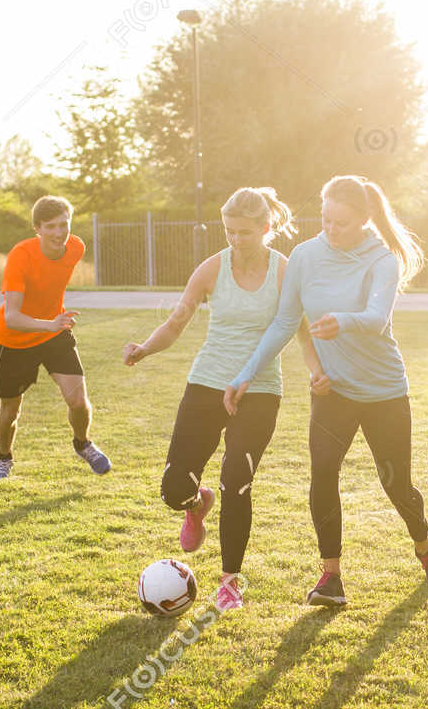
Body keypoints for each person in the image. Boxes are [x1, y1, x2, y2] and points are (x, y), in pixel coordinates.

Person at [226, 174, 428, 607]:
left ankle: (423, 543)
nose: (331, 230)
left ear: (365, 220)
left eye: (341, 223)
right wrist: (245, 374)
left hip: (383, 390)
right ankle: (331, 577)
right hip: (333, 393)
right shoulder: (306, 256)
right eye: (326, 220)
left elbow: (377, 316)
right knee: (324, 473)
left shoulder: (383, 259)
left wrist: (342, 321)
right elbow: (284, 323)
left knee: (396, 484)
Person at [123, 187, 323, 612]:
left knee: (237, 479)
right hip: (207, 383)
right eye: (228, 231)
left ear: (266, 228)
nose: (234, 239)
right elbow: (178, 321)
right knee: (174, 486)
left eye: (244, 233)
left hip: (261, 390)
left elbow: (302, 330)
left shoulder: (286, 272)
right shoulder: (212, 269)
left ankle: (230, 582)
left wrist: (317, 372)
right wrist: (144, 348)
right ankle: (195, 506)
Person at [0, 195, 110, 480]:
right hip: (16, 339)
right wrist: (50, 324)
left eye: (64, 224)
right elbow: (12, 317)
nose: (59, 233)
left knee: (79, 402)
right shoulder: (21, 255)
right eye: (50, 226)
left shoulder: (76, 248)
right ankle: (4, 458)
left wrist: (54, 324)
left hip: (55, 331)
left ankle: (83, 444)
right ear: (37, 229)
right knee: (10, 411)